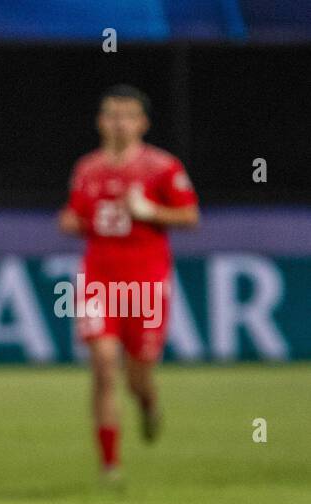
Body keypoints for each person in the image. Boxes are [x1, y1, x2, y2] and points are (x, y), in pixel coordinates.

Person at [59, 84, 199, 479]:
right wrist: (73, 222)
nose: (119, 123)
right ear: (100, 122)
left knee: (138, 376)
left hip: (146, 285)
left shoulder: (162, 167)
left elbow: (190, 217)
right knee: (103, 366)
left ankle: (148, 403)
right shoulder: (87, 168)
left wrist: (151, 210)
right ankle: (110, 465)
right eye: (111, 115)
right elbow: (73, 214)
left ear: (143, 123)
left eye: (127, 116)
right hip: (98, 281)